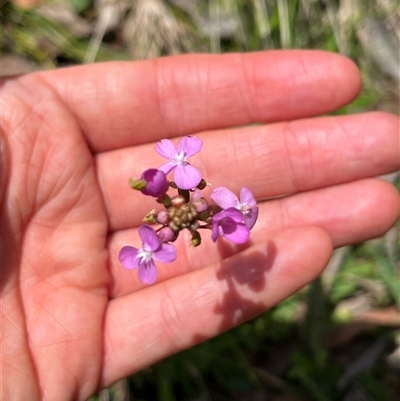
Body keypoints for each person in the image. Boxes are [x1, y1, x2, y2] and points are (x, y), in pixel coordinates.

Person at [1, 51, 399, 401]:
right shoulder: (168, 216)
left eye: (180, 159)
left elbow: (202, 212)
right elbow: (166, 212)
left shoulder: (205, 203)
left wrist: (208, 217)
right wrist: (172, 218)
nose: (177, 160)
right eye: (176, 159)